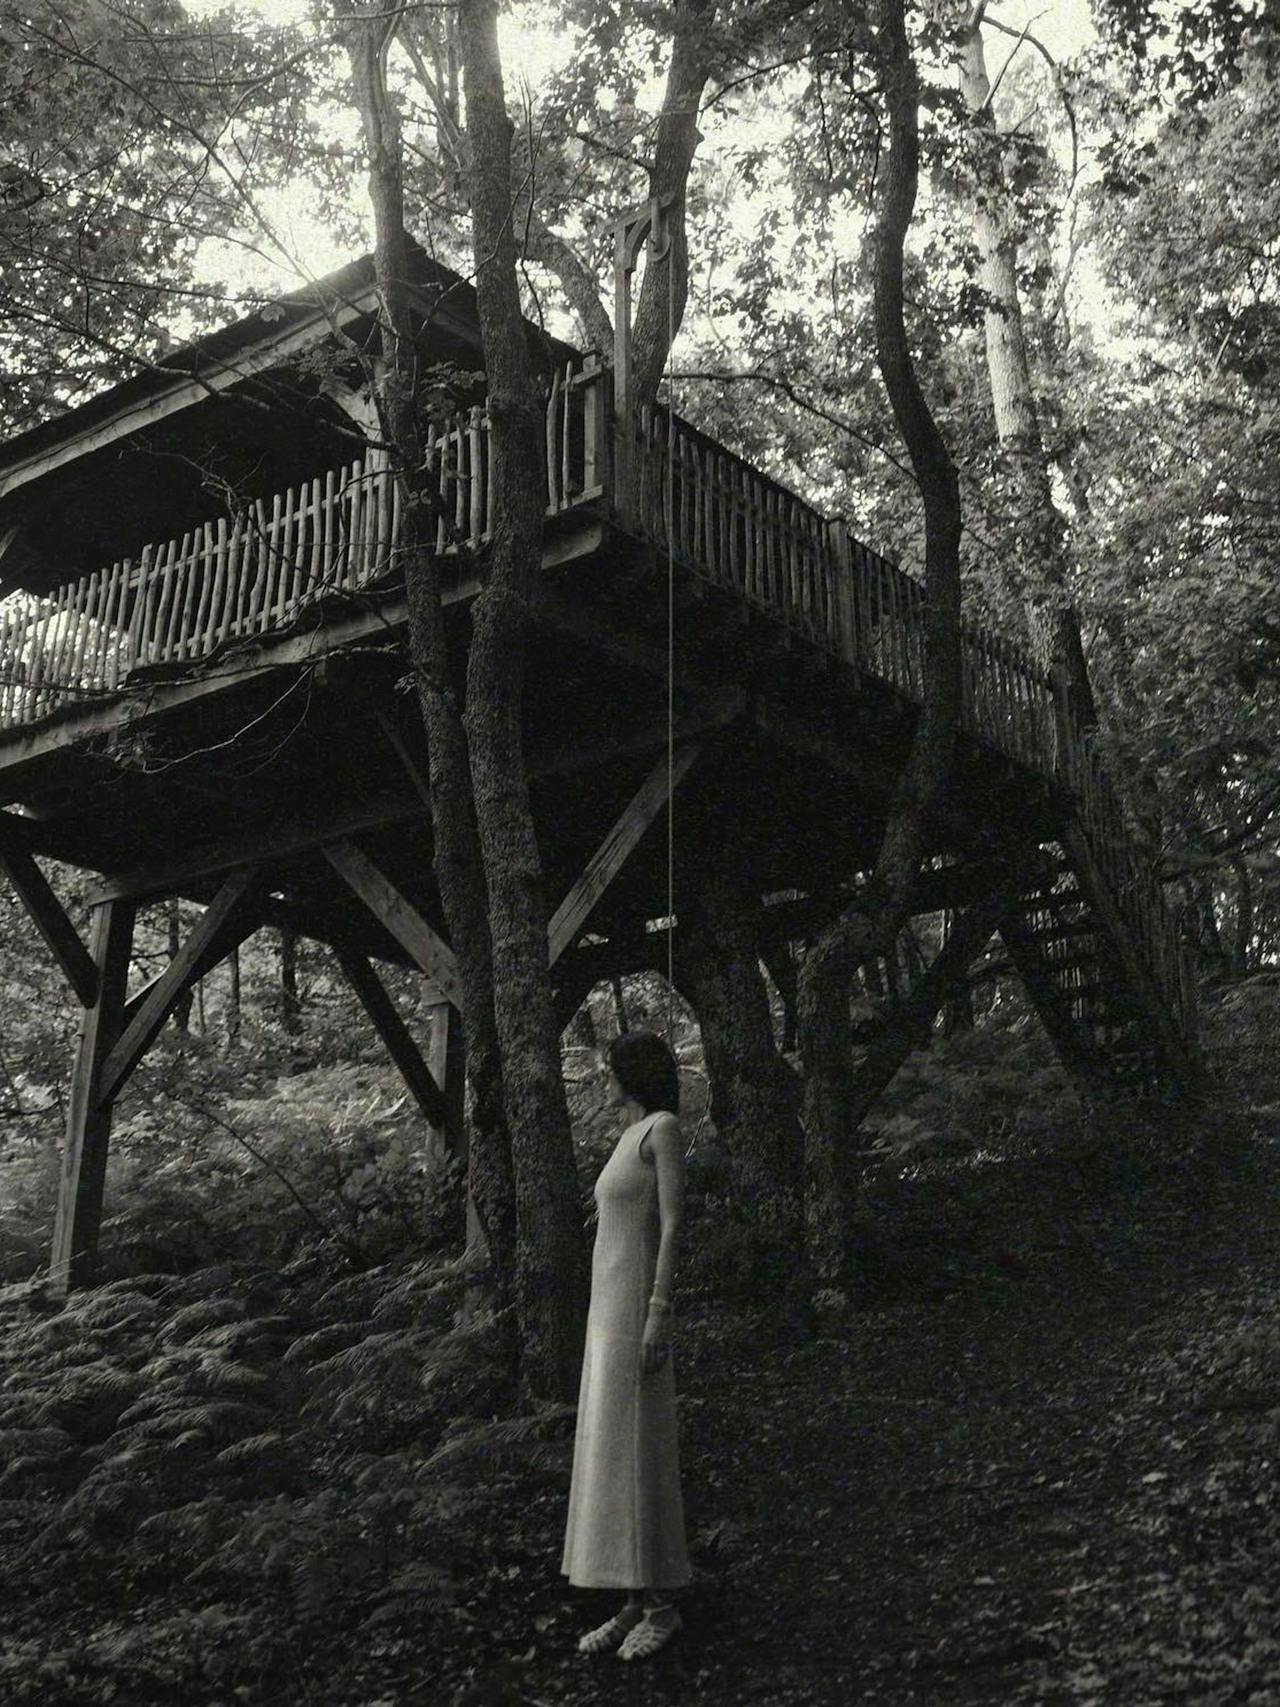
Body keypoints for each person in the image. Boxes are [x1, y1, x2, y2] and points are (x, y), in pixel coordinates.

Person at [561, 1027, 690, 1661]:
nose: (604, 1077)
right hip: (606, 1316)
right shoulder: (624, 1136)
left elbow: (672, 1225)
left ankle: (663, 1607)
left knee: (641, 1446)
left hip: (638, 1307)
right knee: (614, 1448)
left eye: (611, 1068)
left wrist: (658, 1314)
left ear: (634, 1073)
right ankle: (633, 1598)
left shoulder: (662, 1128)